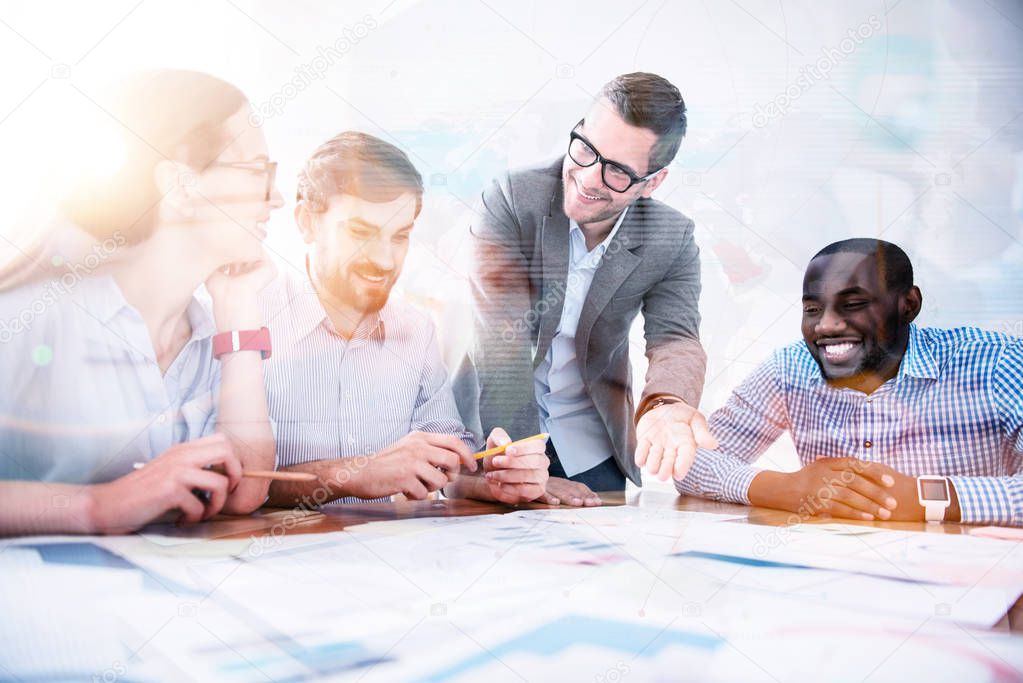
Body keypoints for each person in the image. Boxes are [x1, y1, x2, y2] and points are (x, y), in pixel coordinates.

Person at [0, 70, 280, 535]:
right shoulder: (36, 314)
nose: (278, 198)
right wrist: (96, 507)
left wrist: (241, 317)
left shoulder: (210, 334)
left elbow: (245, 491)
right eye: (257, 172)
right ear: (183, 186)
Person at [459, 72, 715, 506]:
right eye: (586, 148)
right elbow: (500, 342)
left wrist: (667, 403)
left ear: (652, 183)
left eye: (616, 170)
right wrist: (520, 464)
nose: (588, 177)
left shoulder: (671, 237)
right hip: (500, 434)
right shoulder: (512, 198)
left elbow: (676, 338)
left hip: (594, 445)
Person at [260, 132, 549, 508]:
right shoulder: (245, 322)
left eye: (399, 236)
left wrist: (490, 474)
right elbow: (228, 483)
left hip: (386, 555)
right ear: (307, 223)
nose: (383, 259)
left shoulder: (416, 330)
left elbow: (448, 465)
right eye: (361, 233)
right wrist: (353, 473)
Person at [678, 238, 1023, 525]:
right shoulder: (791, 368)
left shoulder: (996, 362)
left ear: (909, 304)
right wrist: (784, 488)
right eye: (812, 310)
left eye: (853, 304)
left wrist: (925, 498)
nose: (826, 325)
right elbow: (688, 462)